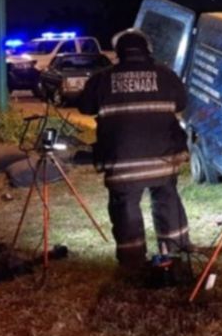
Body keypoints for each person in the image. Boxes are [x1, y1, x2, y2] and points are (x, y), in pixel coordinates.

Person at [79, 28, 192, 277]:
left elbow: (85, 106)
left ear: (118, 52)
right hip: (162, 160)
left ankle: (132, 262)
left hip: (122, 163)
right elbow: (182, 103)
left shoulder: (102, 78)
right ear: (147, 50)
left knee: (125, 208)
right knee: (167, 200)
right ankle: (175, 252)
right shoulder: (166, 75)